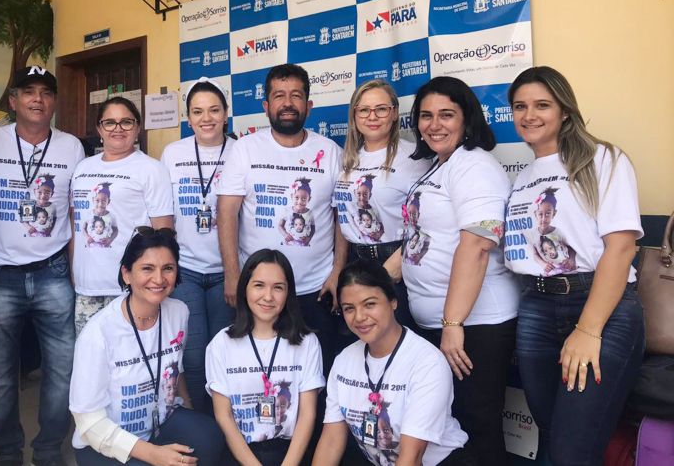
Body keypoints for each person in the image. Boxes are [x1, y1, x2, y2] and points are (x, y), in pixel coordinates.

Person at [504, 66, 645, 465]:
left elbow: (620, 250)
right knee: (551, 434)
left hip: (601, 306)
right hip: (536, 307)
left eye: (542, 105)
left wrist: (588, 329)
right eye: (520, 106)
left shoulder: (604, 159)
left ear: (565, 111)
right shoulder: (522, 177)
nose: (529, 115)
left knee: (571, 447)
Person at [383, 76, 519, 466]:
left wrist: (453, 322)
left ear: (467, 119)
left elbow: (476, 246)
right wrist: (373, 284)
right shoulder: (437, 166)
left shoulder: (474, 165)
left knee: (476, 427)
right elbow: (419, 240)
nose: (434, 124)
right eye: (426, 116)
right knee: (446, 431)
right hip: (439, 324)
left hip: (475, 326)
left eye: (446, 114)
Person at [0, 65, 86, 466]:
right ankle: (7, 451)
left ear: (55, 102)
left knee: (61, 370)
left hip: (53, 271)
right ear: (13, 100)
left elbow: (77, 214)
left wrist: (74, 270)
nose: (37, 99)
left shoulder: (72, 147)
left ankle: (47, 449)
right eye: (28, 92)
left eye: (45, 92)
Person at [217, 63, 345, 375]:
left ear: (309, 105)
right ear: (266, 106)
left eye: (296, 96)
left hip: (316, 289)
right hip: (259, 292)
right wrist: (233, 275)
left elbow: (342, 215)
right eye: (279, 96)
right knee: (261, 374)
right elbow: (227, 212)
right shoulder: (245, 149)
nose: (287, 103)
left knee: (317, 375)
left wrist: (338, 271)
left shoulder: (330, 151)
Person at [70, 226, 224, 466]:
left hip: (161, 422)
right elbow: (89, 423)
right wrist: (152, 454)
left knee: (209, 437)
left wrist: (190, 416)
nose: (159, 279)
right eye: (147, 269)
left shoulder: (178, 312)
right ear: (126, 274)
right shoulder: (98, 333)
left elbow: (175, 368)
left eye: (168, 268)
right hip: (107, 439)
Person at [312, 260, 472, 466]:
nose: (360, 317)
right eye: (349, 308)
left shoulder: (427, 362)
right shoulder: (344, 361)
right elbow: (331, 442)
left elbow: (412, 458)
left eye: (370, 304)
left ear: (393, 301)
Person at [206, 249, 324, 466]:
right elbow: (224, 417)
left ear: (288, 293)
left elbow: (308, 415)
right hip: (240, 454)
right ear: (244, 289)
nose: (268, 297)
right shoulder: (220, 344)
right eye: (259, 285)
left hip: (290, 454)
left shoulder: (307, 342)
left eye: (278, 287)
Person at [160, 77, 235, 413]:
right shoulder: (173, 153)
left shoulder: (240, 152)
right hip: (187, 270)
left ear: (226, 114)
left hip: (227, 273)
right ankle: (201, 428)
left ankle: (224, 429)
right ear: (188, 118)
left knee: (222, 355)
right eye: (198, 112)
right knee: (191, 355)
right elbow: (164, 215)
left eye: (214, 110)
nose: (207, 118)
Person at [71, 96, 173, 334]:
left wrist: (153, 282)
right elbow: (76, 224)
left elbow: (164, 233)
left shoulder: (151, 169)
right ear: (99, 128)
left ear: (137, 128)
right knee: (91, 361)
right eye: (110, 122)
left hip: (131, 289)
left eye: (126, 122)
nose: (118, 129)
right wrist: (73, 274)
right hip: (87, 288)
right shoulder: (83, 168)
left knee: (132, 363)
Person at [334, 79, 430, 327]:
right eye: (364, 110)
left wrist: (397, 263)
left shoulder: (415, 158)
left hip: (396, 261)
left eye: (381, 109)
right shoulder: (344, 159)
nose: (372, 116)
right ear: (354, 115)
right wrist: (338, 269)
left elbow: (428, 219)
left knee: (397, 343)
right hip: (356, 262)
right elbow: (343, 217)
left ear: (395, 113)